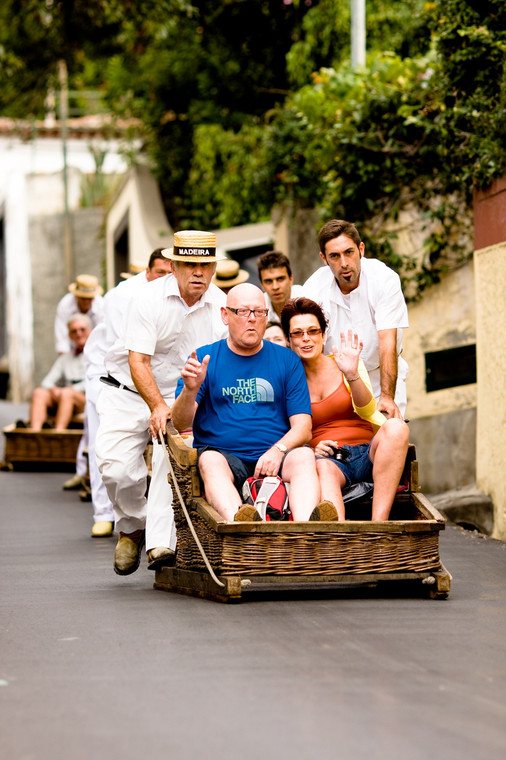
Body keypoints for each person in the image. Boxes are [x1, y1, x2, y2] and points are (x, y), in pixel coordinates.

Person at [95, 231, 228, 575]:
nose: (197, 272)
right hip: (127, 390)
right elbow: (138, 361)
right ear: (174, 266)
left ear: (214, 267)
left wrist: (185, 406)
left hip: (182, 396)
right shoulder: (147, 298)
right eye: (189, 264)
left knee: (171, 462)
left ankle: (159, 542)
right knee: (116, 470)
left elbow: (222, 363)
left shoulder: (220, 305)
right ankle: (132, 526)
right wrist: (156, 406)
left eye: (204, 265)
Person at [172, 283, 336, 522]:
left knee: (302, 457)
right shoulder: (205, 358)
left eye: (259, 312)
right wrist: (190, 389)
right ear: (225, 316)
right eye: (243, 311)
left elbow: (303, 427)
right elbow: (180, 423)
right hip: (225, 457)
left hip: (277, 455)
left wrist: (278, 451)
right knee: (208, 459)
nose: (252, 319)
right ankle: (241, 525)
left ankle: (305, 530)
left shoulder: (287, 360)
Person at [281, 297, 410, 521]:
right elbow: (288, 430)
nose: (306, 339)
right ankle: (338, 534)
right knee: (322, 470)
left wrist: (352, 375)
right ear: (288, 340)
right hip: (328, 459)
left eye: (312, 331)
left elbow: (368, 410)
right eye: (298, 333)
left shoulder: (343, 362)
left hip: (366, 452)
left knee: (396, 428)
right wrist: (310, 449)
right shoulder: (286, 380)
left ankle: (378, 525)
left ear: (323, 334)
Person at [84, 249, 173, 538]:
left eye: (172, 271)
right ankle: (118, 518)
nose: (167, 277)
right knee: (110, 463)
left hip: (168, 389)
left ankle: (159, 538)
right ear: (147, 273)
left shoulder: (196, 297)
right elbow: (134, 355)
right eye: (161, 272)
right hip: (116, 382)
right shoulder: (123, 297)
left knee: (168, 463)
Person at [302, 220, 409, 419]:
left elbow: (388, 342)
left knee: (391, 434)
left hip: (380, 374)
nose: (344, 263)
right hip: (336, 381)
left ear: (361, 249)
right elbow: (306, 345)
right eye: (334, 256)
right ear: (324, 258)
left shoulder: (384, 279)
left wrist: (386, 396)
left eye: (349, 252)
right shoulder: (313, 290)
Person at [26, 314, 92, 431]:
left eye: (82, 329)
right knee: (39, 393)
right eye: (74, 331)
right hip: (63, 397)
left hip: (86, 401)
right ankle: (35, 432)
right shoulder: (65, 358)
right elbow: (46, 381)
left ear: (90, 331)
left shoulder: (97, 355)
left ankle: (57, 433)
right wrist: (54, 390)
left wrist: (68, 391)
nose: (78, 334)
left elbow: (93, 382)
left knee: (67, 394)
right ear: (70, 336)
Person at [54, 274, 104, 355]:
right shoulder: (65, 305)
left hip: (95, 351)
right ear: (76, 296)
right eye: (83, 298)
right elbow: (61, 335)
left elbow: (101, 335)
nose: (86, 302)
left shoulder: (101, 305)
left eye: (89, 299)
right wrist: (65, 361)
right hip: (71, 351)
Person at [257, 251, 303, 323]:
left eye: (280, 279)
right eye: (268, 281)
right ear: (262, 285)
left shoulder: (306, 297)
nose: (275, 287)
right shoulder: (258, 308)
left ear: (291, 279)